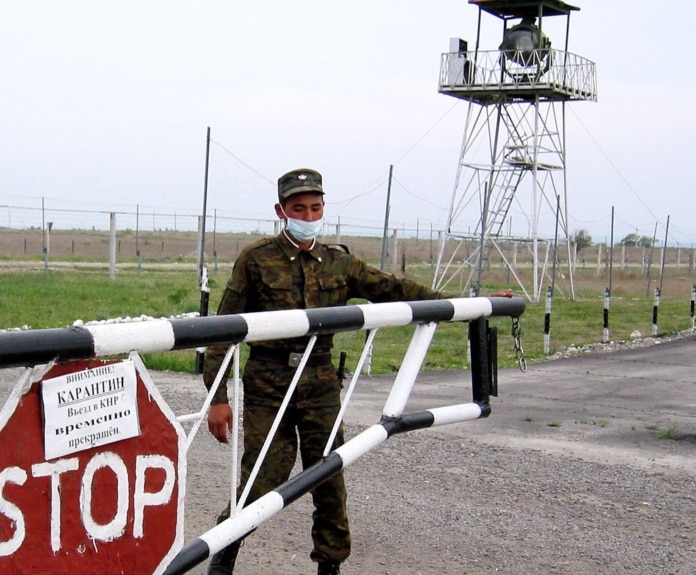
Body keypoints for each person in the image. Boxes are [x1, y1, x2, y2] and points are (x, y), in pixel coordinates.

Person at [202, 168, 511, 575]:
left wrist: (470, 303)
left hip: (320, 384)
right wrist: (217, 398)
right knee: (263, 478)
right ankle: (224, 552)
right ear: (281, 210)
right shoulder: (256, 260)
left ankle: (330, 565)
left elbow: (395, 289)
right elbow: (222, 329)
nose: (308, 215)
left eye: (315, 207)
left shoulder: (339, 262)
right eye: (299, 208)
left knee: (329, 478)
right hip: (268, 383)